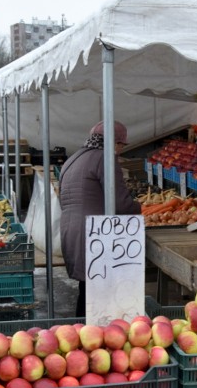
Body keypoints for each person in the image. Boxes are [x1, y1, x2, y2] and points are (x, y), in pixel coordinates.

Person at [59, 121, 141, 317]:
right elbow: (121, 204)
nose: (120, 151)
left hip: (71, 230)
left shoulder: (75, 158)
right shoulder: (105, 159)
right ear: (115, 142)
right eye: (122, 145)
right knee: (98, 294)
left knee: (86, 289)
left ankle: (81, 335)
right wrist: (141, 209)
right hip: (93, 234)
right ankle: (92, 337)